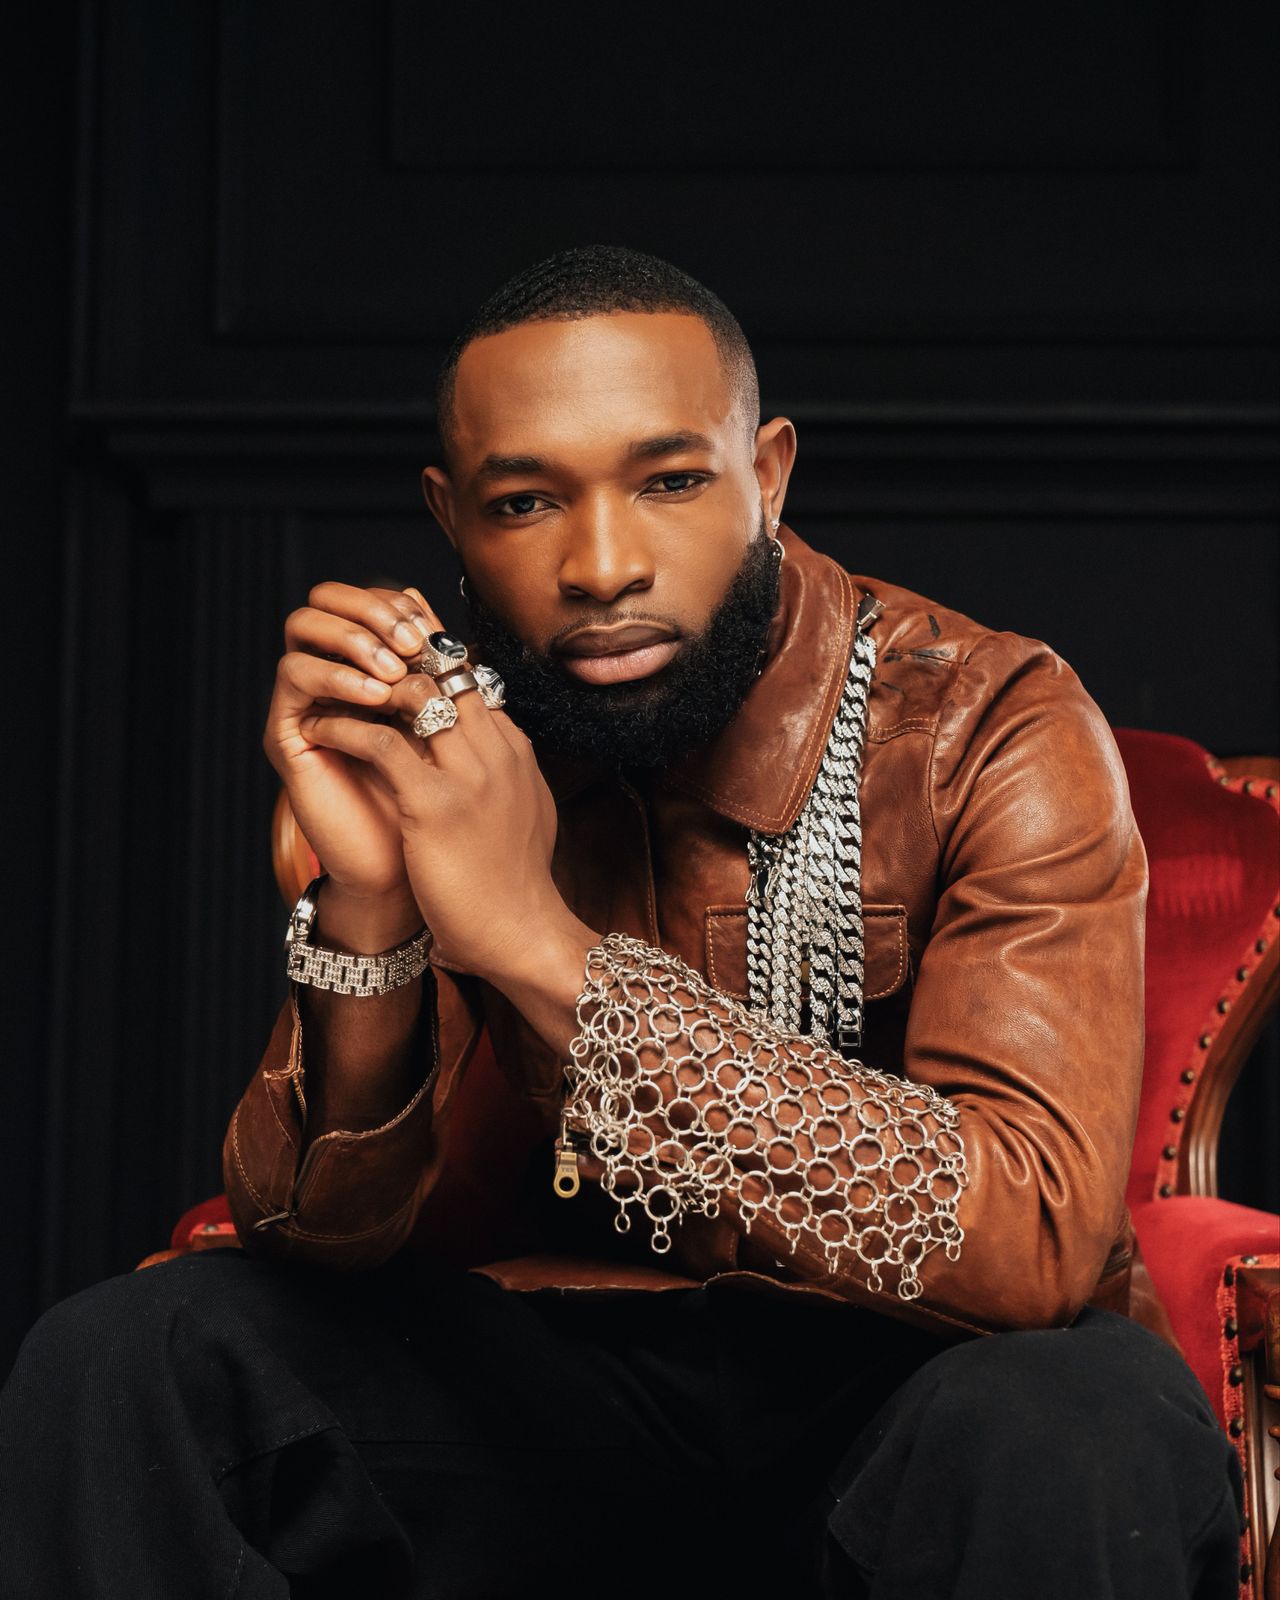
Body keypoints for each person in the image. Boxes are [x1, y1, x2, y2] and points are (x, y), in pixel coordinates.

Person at [0, 247, 1241, 1598]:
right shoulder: (457, 740)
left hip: (922, 1389)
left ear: (767, 476)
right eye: (526, 502)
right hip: (572, 1399)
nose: (600, 566)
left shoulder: (987, 726)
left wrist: (541, 948)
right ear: (453, 518)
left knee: (1071, 1426)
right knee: (123, 1360)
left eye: (669, 482)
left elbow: (1038, 1237)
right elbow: (320, 1239)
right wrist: (368, 908)